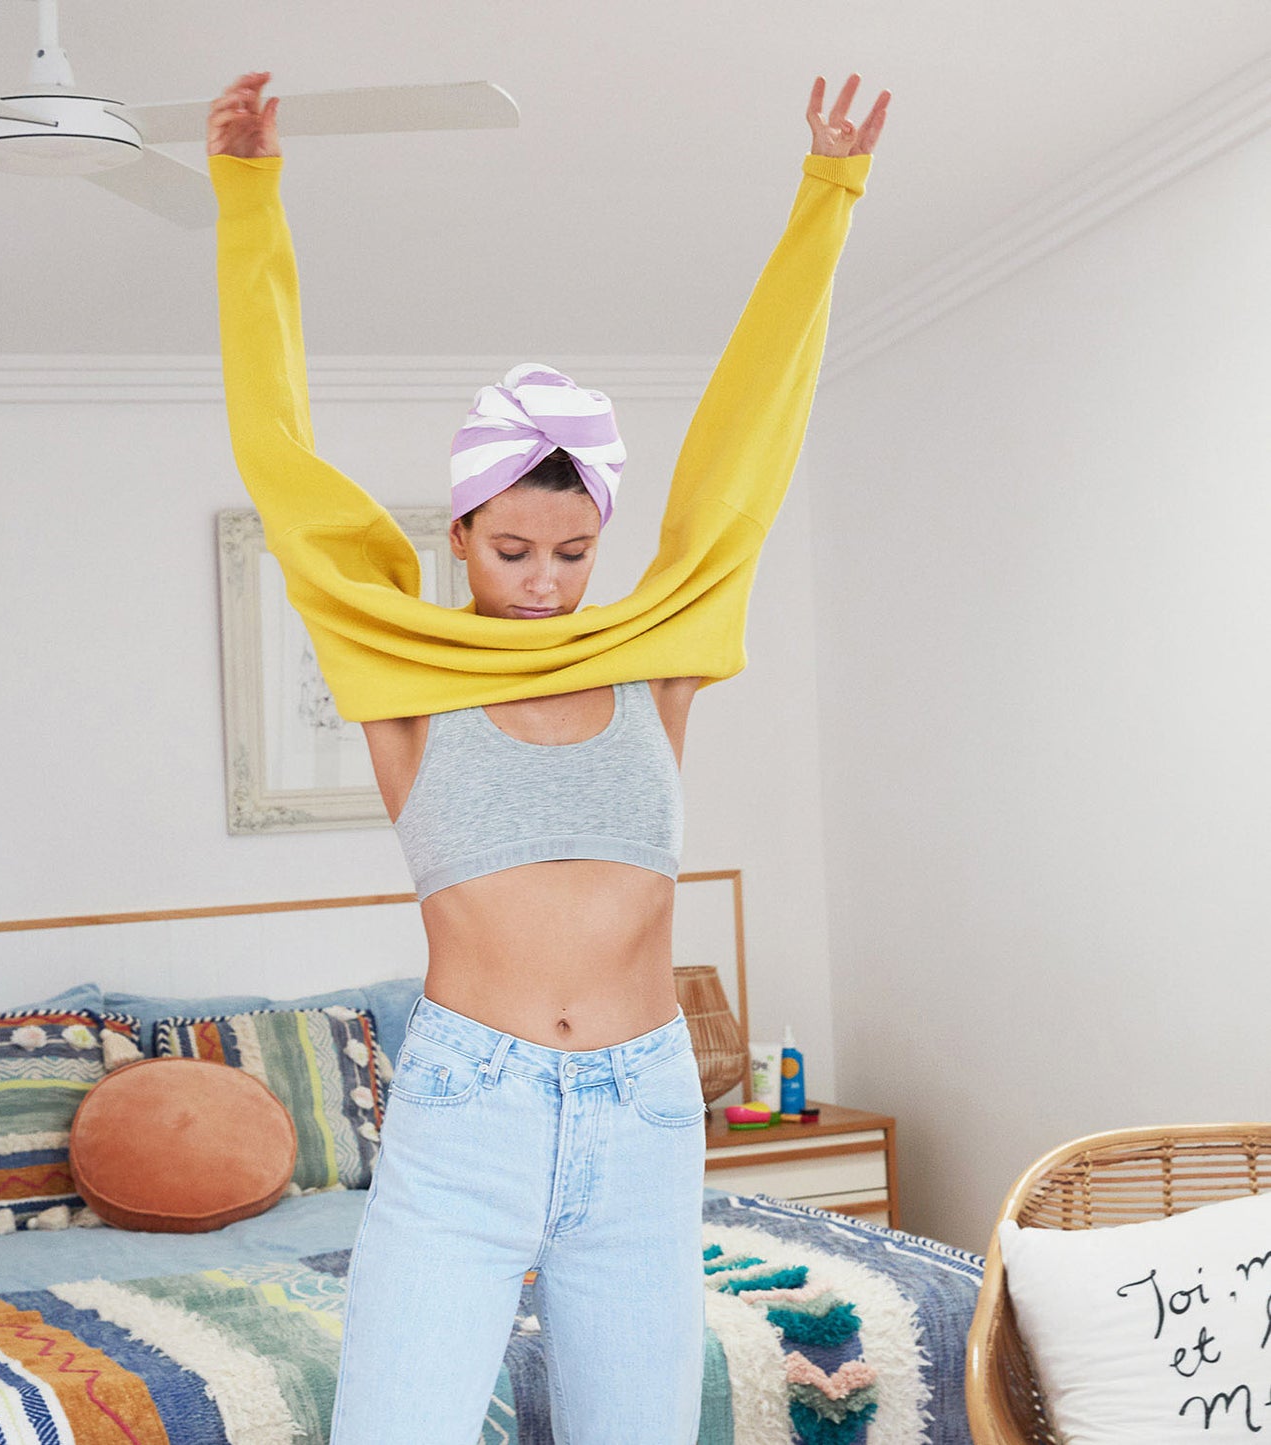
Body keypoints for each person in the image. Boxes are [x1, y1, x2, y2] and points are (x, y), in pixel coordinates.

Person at [207, 68, 888, 1445]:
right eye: (511, 548)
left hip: (644, 1111)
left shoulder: (650, 657)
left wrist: (827, 191)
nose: (541, 579)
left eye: (573, 553)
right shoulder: (402, 675)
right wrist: (248, 192)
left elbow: (743, 463)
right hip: (470, 1108)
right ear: (456, 532)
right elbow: (282, 464)